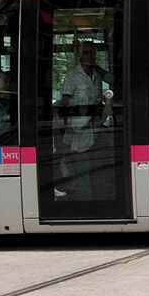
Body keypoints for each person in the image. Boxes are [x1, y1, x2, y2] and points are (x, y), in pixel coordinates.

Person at [60, 40, 111, 198]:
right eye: (86, 53)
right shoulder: (72, 76)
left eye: (93, 53)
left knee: (95, 168)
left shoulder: (97, 76)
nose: (90, 56)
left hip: (94, 129)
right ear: (79, 55)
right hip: (78, 130)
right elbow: (66, 103)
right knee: (83, 169)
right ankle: (85, 200)